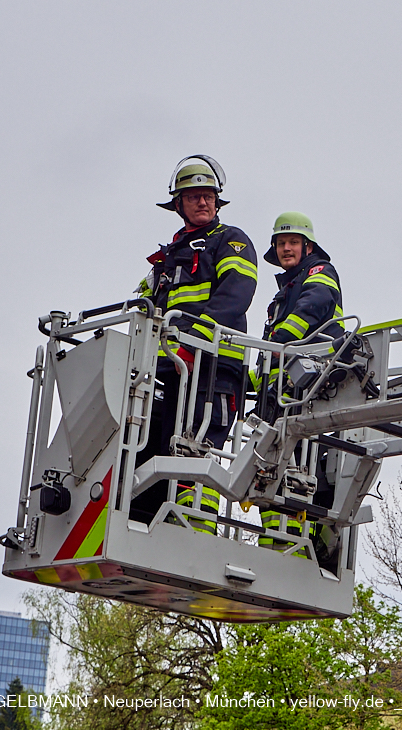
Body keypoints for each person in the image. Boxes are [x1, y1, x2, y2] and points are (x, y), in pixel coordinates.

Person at [130, 155, 257, 533]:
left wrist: (194, 340)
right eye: (194, 197)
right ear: (179, 205)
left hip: (215, 368)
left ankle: (195, 530)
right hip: (175, 371)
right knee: (171, 448)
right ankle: (171, 524)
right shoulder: (166, 259)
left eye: (209, 196)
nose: (203, 202)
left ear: (218, 202)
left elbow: (237, 293)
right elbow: (140, 305)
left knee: (197, 450)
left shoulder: (230, 241)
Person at [256, 212, 344, 560]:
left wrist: (279, 341)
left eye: (293, 242)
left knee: (298, 469)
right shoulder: (285, 291)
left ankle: (295, 544)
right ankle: (272, 542)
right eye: (281, 243)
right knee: (266, 465)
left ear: (307, 246)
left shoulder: (320, 273)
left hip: (304, 388)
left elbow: (314, 308)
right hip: (281, 391)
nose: (286, 248)